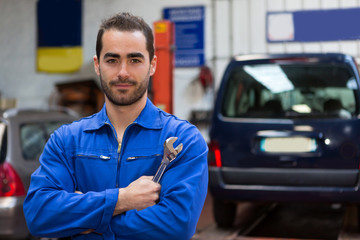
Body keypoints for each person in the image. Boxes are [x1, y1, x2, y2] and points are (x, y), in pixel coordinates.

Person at [23, 12, 208, 240]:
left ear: (152, 65)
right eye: (112, 60)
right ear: (97, 65)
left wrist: (86, 219)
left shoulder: (183, 139)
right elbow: (39, 214)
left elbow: (177, 225)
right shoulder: (67, 141)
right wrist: (122, 200)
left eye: (135, 60)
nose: (123, 72)